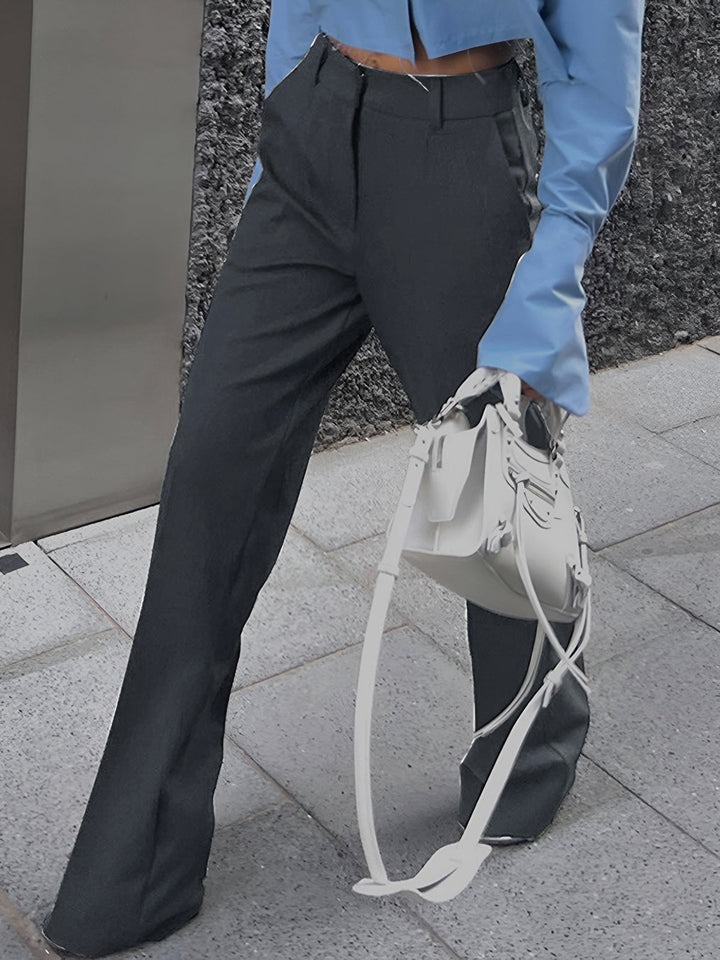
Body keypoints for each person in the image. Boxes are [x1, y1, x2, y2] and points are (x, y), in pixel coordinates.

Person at [41, 1, 645, 956]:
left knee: (491, 474)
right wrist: (280, 142)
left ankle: (530, 753)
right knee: (210, 478)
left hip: (459, 154)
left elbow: (598, 67)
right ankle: (138, 864)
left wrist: (551, 272)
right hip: (311, 138)